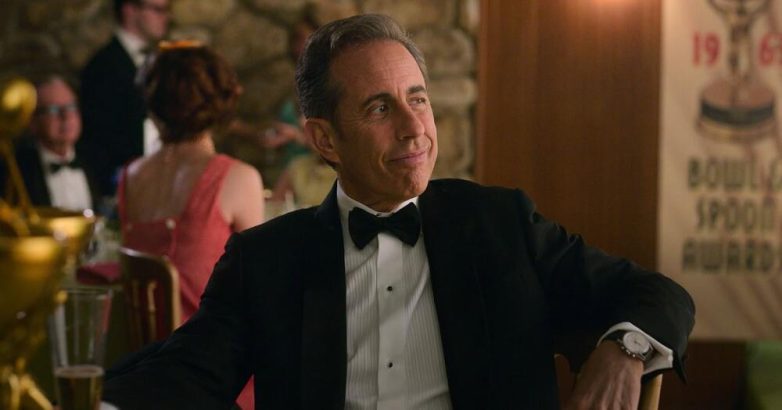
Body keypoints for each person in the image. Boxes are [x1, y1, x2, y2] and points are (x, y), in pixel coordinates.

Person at [103, 14, 695, 409]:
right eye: (380, 109)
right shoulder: (268, 259)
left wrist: (625, 350)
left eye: (418, 99)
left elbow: (658, 294)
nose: (415, 129)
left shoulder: (501, 225)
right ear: (325, 139)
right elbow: (189, 371)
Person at [116, 42, 264, 409]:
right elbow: (260, 291)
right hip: (211, 378)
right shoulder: (238, 177)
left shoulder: (131, 175)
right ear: (221, 101)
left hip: (141, 369)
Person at [79, 0, 170, 196]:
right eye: (158, 10)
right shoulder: (103, 66)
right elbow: (98, 136)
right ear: (130, 10)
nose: (166, 17)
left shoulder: (160, 60)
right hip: (120, 186)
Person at [0, 75, 100, 212]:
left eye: (71, 107)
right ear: (32, 122)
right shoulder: (15, 172)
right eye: (53, 109)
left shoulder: (95, 161)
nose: (65, 116)